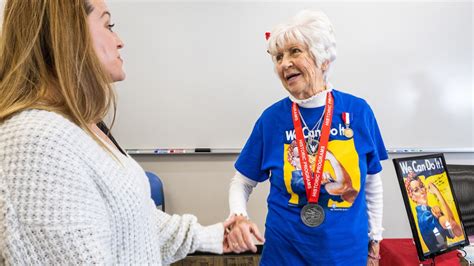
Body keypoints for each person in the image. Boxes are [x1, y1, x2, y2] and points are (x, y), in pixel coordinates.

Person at [0, 0, 242, 264]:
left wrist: (213, 237)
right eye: (108, 25)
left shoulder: (79, 126)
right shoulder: (36, 142)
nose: (119, 41)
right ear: (69, 33)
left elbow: (132, 220)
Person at [226, 10, 388, 265]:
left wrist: (374, 242)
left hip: (346, 253)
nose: (284, 63)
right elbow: (242, 182)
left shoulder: (358, 111)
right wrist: (238, 215)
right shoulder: (271, 119)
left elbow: (372, 183)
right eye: (278, 57)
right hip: (284, 253)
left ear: (322, 59)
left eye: (294, 52)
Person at [405, 171, 463, 252]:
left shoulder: (431, 210)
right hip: (439, 258)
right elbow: (450, 222)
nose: (421, 191)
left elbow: (458, 232)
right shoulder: (425, 216)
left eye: (421, 186)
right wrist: (437, 193)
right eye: (416, 190)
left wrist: (441, 216)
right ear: (412, 197)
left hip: (447, 254)